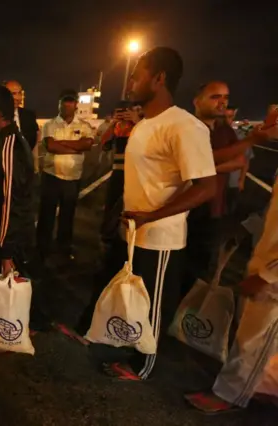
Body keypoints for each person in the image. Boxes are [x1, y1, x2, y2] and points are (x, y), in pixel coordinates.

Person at [65, 47, 218, 380]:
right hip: (134, 231)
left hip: (161, 239)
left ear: (159, 78)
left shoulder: (184, 126)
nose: (131, 81)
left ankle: (143, 366)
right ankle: (103, 334)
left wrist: (153, 216)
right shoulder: (147, 123)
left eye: (137, 74)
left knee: (154, 304)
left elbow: (206, 187)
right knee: (123, 292)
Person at [185, 175, 278, 413]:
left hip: (272, 276)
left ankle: (230, 394)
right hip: (266, 263)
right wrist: (250, 226)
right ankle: (262, 388)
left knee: (256, 338)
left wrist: (268, 276)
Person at [0, 84, 51, 332]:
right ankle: (23, 324)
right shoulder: (4, 140)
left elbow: (11, 202)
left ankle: (20, 329)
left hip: (14, 236)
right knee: (19, 285)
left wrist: (6, 251)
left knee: (18, 285)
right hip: (12, 233)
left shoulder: (9, 146)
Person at [182, 81, 246, 297]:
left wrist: (202, 164)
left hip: (213, 209)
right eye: (215, 97)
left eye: (225, 98)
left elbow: (238, 161)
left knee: (200, 267)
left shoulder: (225, 131)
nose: (222, 102)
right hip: (182, 206)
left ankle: (181, 319)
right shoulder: (184, 127)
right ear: (196, 101)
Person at [35, 89, 94, 261]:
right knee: (46, 214)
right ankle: (42, 247)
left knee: (68, 216)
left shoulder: (84, 126)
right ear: (59, 104)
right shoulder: (49, 125)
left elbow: (88, 145)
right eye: (64, 101)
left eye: (70, 101)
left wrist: (62, 144)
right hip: (51, 176)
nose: (67, 105)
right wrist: (76, 145)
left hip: (72, 178)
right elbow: (51, 146)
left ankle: (64, 247)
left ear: (76, 104)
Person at [98, 103, 141, 246]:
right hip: (118, 171)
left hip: (135, 173)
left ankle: (126, 240)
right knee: (112, 204)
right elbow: (104, 144)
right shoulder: (117, 128)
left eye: (127, 111)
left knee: (129, 207)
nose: (123, 115)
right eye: (119, 112)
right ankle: (108, 238)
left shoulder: (140, 127)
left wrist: (136, 121)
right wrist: (113, 123)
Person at [224, 105, 254, 219]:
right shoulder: (211, 135)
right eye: (224, 117)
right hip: (216, 183)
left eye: (230, 117)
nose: (228, 120)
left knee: (230, 212)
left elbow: (246, 161)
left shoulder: (241, 137)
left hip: (233, 183)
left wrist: (241, 180)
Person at [3, 80, 40, 172]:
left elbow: (34, 141)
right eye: (13, 93)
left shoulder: (29, 115)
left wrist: (35, 166)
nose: (17, 97)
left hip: (24, 170)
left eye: (19, 93)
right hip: (2, 170)